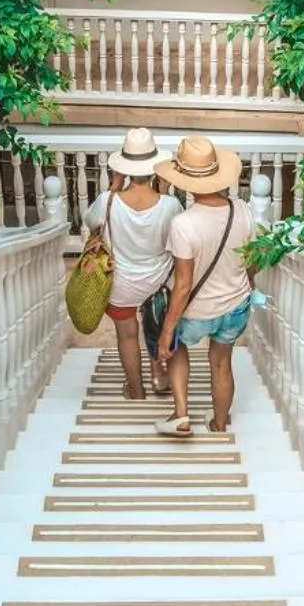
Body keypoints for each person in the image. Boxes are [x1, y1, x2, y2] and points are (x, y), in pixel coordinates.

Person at [153, 135, 255, 436]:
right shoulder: (244, 211)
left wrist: (167, 331)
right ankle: (219, 424)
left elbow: (183, 285)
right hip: (236, 305)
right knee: (222, 364)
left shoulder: (184, 224)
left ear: (185, 181)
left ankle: (181, 415)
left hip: (197, 311)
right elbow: (253, 262)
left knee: (178, 347)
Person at [81, 128, 181, 400]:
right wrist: (164, 190)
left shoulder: (107, 201)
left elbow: (90, 223)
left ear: (123, 169)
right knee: (158, 327)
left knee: (127, 336)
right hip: (159, 282)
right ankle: (160, 379)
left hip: (121, 284)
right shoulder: (170, 205)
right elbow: (178, 238)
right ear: (155, 168)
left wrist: (114, 188)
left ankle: (135, 390)